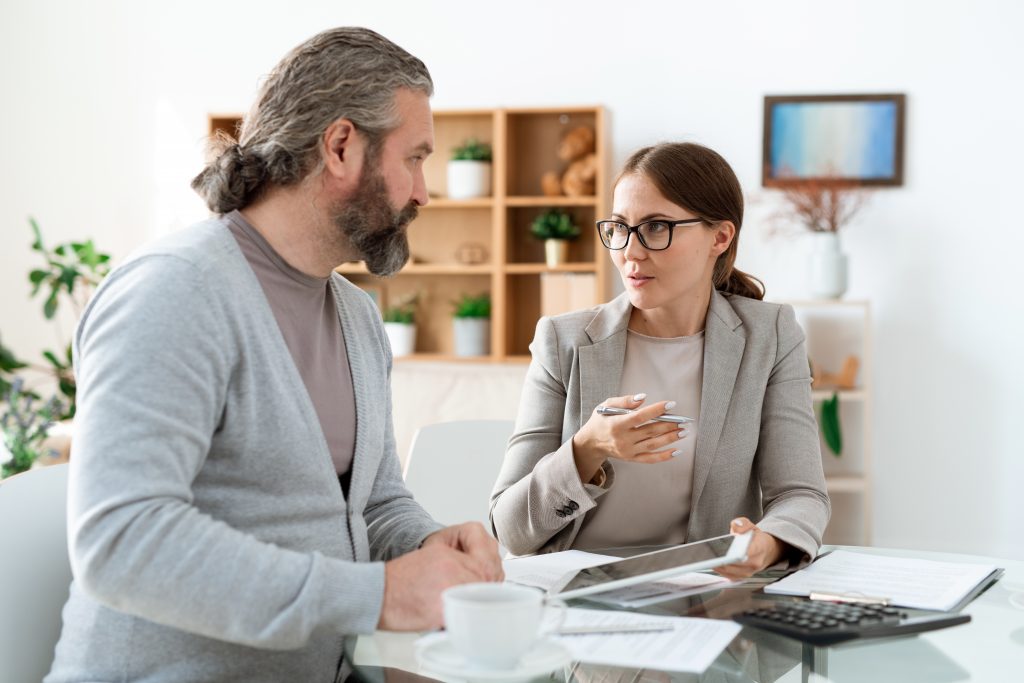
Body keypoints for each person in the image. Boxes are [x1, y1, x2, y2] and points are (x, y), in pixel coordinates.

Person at [47, 27, 502, 683]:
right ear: (342, 146)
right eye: (415, 158)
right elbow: (122, 539)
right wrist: (379, 595)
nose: (424, 192)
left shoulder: (357, 316)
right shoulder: (175, 291)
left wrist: (427, 541)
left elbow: (372, 503)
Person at [490, 142, 830, 577]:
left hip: (702, 596)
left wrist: (766, 543)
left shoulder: (770, 336)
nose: (629, 251)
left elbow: (801, 494)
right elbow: (510, 529)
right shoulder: (563, 341)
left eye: (656, 227)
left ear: (720, 237)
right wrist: (586, 448)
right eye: (618, 227)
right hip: (575, 602)